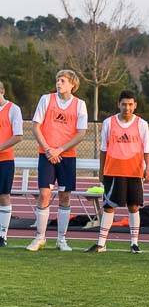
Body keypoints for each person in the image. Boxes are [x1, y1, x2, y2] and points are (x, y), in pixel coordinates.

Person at [27, 69, 89, 252]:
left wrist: (60, 149)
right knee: (44, 194)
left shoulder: (80, 105)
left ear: (72, 84)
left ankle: (61, 240)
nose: (58, 83)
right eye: (57, 80)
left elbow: (81, 133)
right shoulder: (46, 99)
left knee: (65, 196)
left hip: (66, 156)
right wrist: (48, 149)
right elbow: (35, 126)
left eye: (62, 80)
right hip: (46, 155)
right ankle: (39, 238)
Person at [86, 91, 149, 253]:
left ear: (135, 105)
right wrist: (101, 171)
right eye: (124, 104)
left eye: (130, 104)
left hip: (135, 171)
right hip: (113, 171)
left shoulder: (142, 124)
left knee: (134, 207)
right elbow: (103, 148)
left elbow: (147, 148)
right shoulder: (109, 122)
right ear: (118, 104)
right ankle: (101, 243)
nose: (127, 108)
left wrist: (148, 168)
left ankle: (134, 243)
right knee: (109, 206)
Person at [0, 80, 24, 247]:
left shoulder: (13, 109)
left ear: (2, 91)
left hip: (5, 160)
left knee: (3, 196)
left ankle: (2, 235)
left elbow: (18, 135)